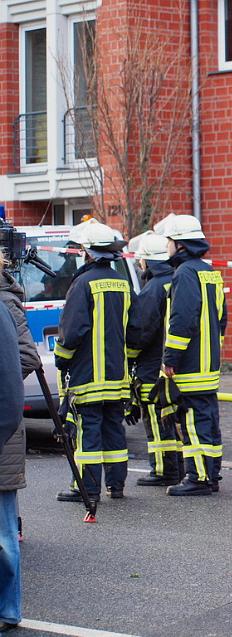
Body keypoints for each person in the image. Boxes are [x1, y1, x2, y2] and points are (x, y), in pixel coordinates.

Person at [54, 219, 132, 503]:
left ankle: (86, 489)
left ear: (87, 252)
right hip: (117, 376)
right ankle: (117, 486)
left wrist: (61, 359)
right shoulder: (123, 282)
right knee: (114, 429)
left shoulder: (83, 283)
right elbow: (133, 328)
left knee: (89, 432)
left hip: (88, 376)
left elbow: (72, 330)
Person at [157, 215, 227, 496]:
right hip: (209, 362)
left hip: (190, 364)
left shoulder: (184, 273)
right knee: (208, 420)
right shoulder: (210, 272)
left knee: (193, 422)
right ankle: (211, 473)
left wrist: (170, 358)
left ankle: (197, 478)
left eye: (169, 241)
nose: (168, 247)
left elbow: (182, 320)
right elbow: (222, 318)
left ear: (179, 244)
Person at [126, 232, 182, 487]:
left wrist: (128, 359)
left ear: (146, 262)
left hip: (152, 368)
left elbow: (140, 332)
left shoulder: (152, 290)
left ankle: (163, 470)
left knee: (158, 421)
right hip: (180, 366)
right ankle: (181, 468)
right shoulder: (178, 280)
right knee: (175, 419)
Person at [0, 250, 37, 632]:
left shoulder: (4, 305)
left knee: (4, 534)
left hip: (2, 435)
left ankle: (8, 608)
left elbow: (26, 357)